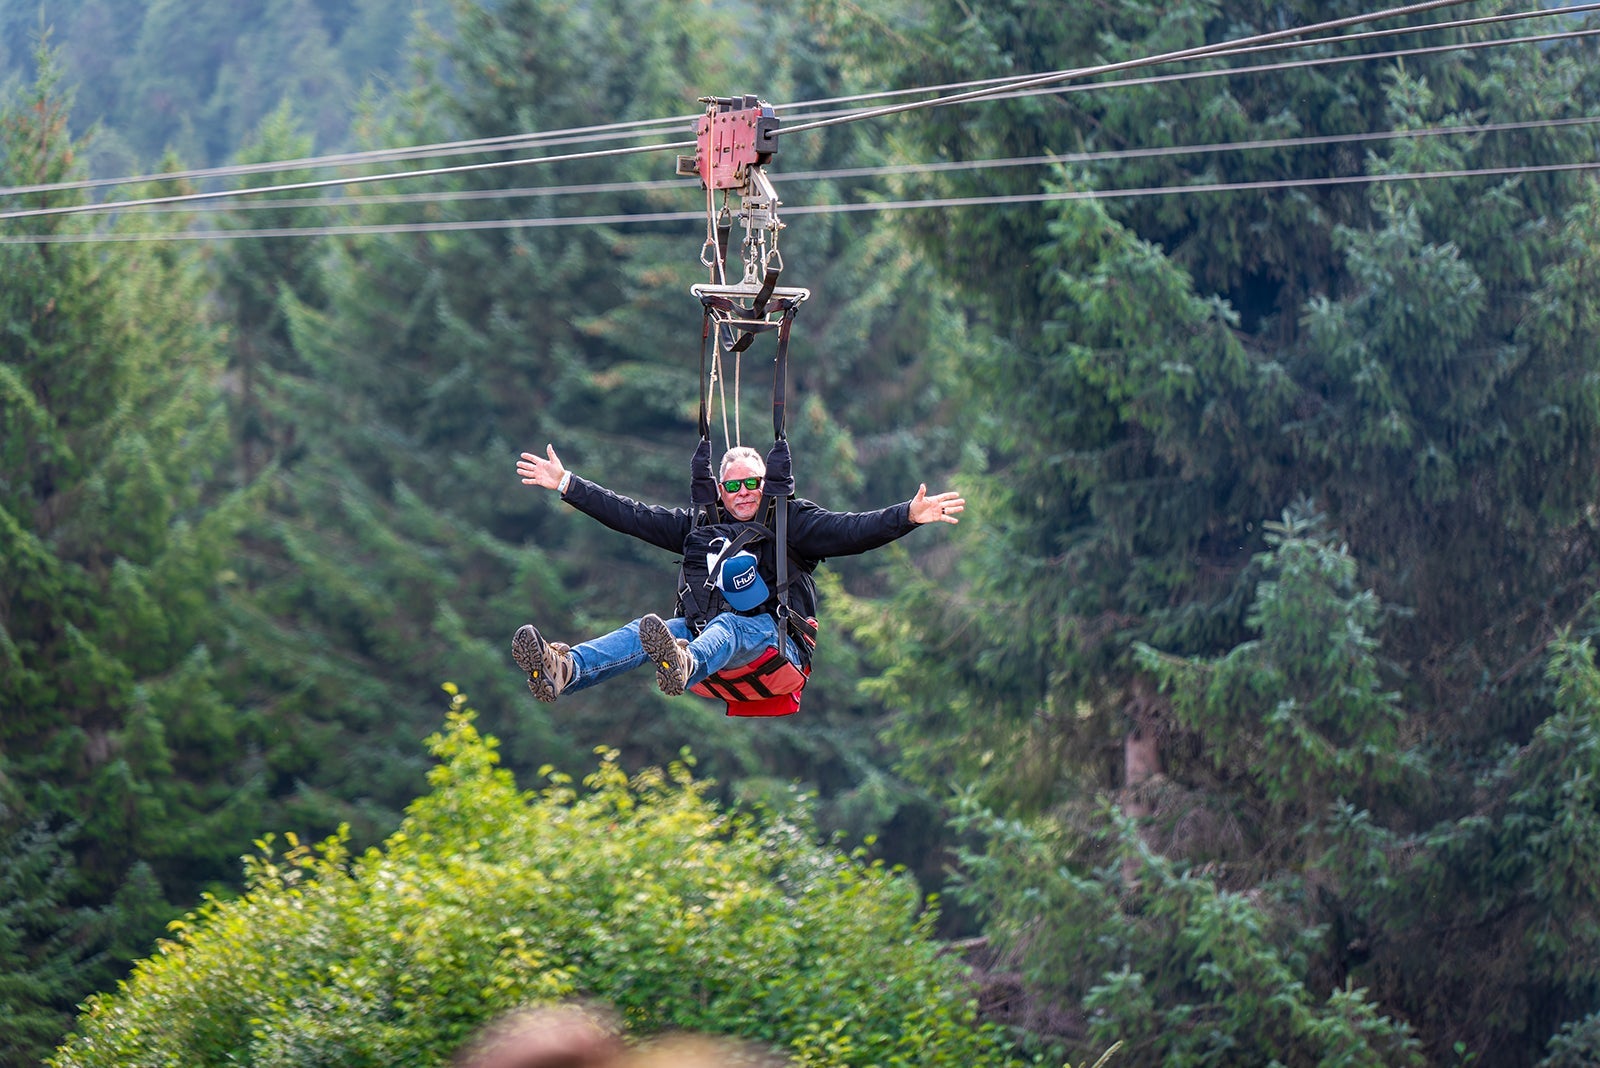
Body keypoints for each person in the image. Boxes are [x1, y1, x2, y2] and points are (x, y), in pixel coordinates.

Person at [511, 442, 963, 704]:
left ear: (767, 485)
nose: (744, 492)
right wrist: (568, 484)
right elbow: (632, 516)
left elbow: (853, 530)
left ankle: (685, 662)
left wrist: (907, 515)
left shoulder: (792, 523)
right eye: (733, 485)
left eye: (753, 483)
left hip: (775, 642)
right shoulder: (700, 527)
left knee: (728, 624)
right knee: (646, 631)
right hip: (707, 640)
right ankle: (566, 670)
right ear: (720, 491)